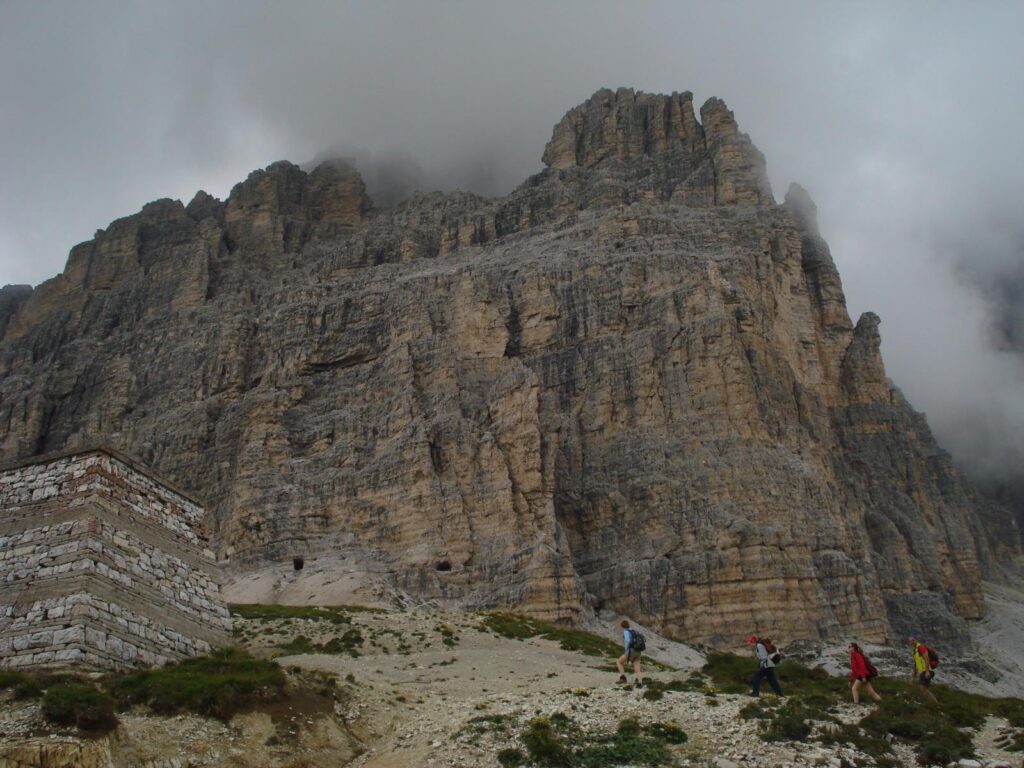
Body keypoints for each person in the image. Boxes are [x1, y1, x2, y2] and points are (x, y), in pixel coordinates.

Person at [909, 636, 938, 704]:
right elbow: (916, 664)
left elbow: (926, 658)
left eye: (913, 640)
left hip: (926, 671)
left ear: (916, 640)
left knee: (923, 689)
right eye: (910, 641)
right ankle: (930, 703)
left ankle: (935, 704)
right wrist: (913, 676)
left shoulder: (921, 647)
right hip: (922, 672)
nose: (911, 642)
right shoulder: (915, 651)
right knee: (922, 689)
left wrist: (927, 671)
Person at [615, 619, 642, 688]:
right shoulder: (633, 630)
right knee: (637, 667)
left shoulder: (626, 631)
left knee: (619, 662)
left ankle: (623, 678)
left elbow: (627, 641)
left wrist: (626, 651)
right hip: (638, 651)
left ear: (622, 626)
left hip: (631, 651)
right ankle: (640, 682)